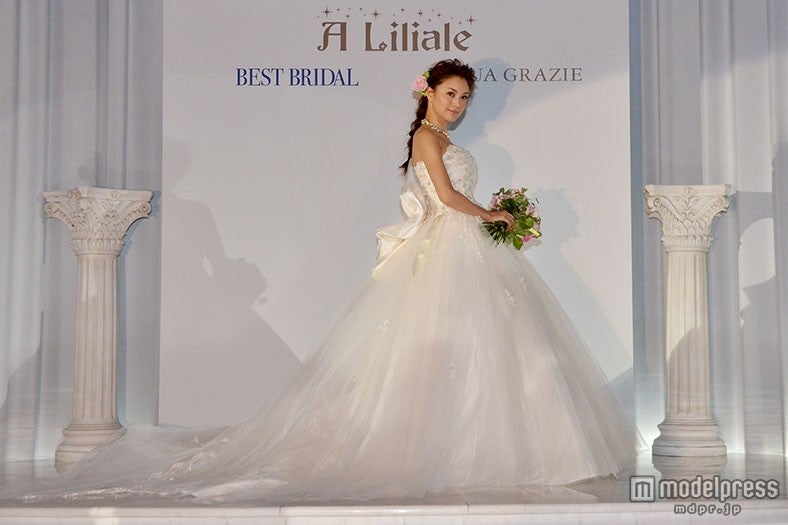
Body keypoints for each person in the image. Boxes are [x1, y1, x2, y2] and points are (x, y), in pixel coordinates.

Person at [13, 59, 642, 504]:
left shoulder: (437, 138)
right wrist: (494, 215)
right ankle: (447, 450)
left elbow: (451, 198)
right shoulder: (427, 139)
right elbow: (448, 199)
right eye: (451, 93)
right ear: (427, 93)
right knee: (444, 350)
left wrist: (493, 216)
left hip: (462, 248)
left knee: (488, 350)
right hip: (450, 247)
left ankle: (489, 448)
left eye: (464, 99)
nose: (457, 105)